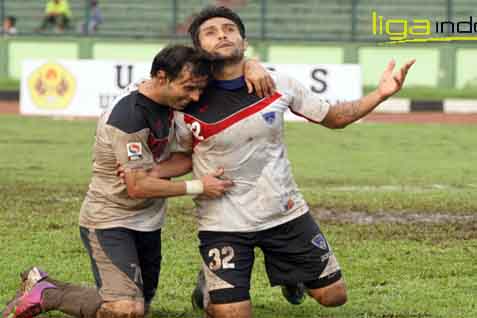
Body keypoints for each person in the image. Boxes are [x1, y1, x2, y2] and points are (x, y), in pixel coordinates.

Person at [173, 6, 415, 318]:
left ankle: (292, 275)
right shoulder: (188, 98)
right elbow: (180, 156)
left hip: (284, 212)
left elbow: (335, 117)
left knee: (334, 297)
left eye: (229, 29)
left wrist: (381, 94)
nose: (222, 34)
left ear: (244, 42)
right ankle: (209, 285)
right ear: (198, 48)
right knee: (232, 314)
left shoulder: (279, 85)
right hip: (224, 222)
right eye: (211, 31)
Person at [1, 44, 274, 318]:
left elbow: (187, 156)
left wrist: (252, 64)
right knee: (125, 310)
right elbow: (136, 187)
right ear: (161, 77)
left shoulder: (173, 100)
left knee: (137, 306)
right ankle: (48, 295)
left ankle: (44, 286)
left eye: (199, 89)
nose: (195, 96)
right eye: (189, 88)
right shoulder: (128, 117)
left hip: (148, 220)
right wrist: (199, 186)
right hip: (109, 219)